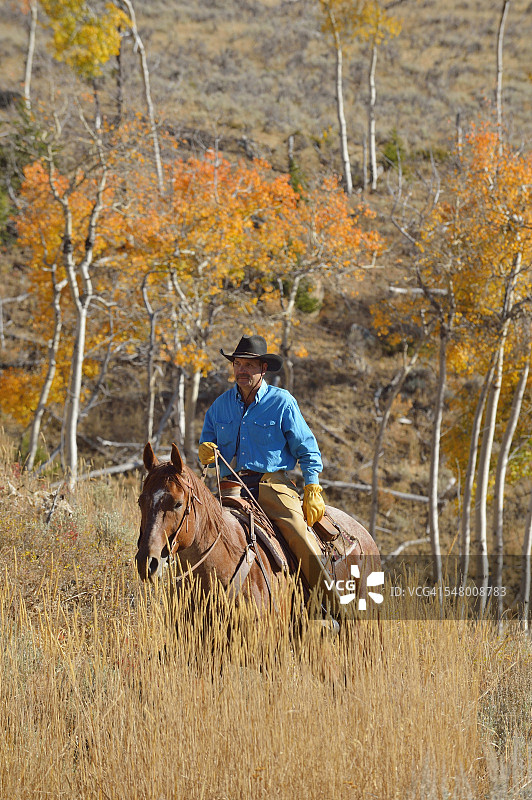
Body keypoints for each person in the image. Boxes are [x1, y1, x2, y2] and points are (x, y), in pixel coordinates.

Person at [198, 333, 340, 613]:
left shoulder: (282, 402)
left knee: (299, 535)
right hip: (229, 488)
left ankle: (330, 606)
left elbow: (307, 449)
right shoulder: (219, 406)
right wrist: (204, 452)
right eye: (238, 363)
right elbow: (208, 450)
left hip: (272, 486)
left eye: (249, 365)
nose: (242, 370)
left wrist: (313, 488)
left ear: (263, 368)